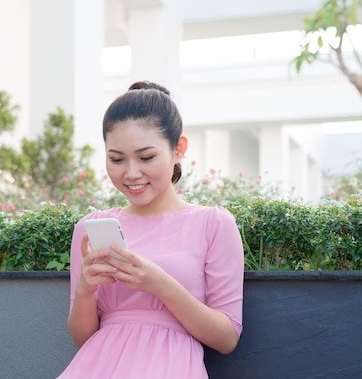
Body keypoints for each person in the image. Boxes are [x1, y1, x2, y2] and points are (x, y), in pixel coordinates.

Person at [57, 81, 244, 379]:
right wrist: (86, 290)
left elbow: (226, 338)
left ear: (178, 149)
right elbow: (82, 340)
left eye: (146, 157)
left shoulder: (213, 224)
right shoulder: (89, 228)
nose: (130, 173)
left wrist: (160, 284)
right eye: (116, 159)